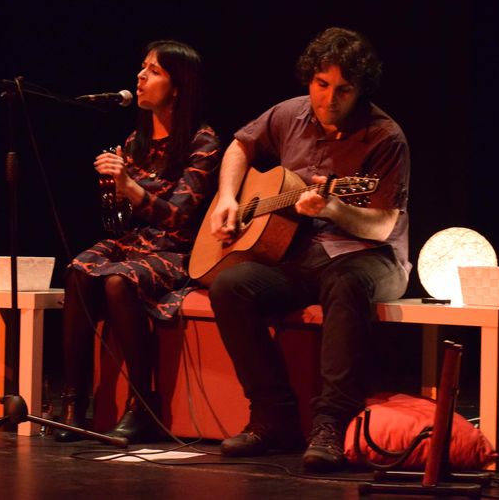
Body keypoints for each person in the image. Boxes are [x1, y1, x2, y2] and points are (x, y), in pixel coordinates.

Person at [207, 27, 410, 471]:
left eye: (343, 89)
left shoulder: (385, 137)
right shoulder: (288, 113)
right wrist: (227, 197)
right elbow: (241, 144)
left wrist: (336, 208)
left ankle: (331, 424)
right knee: (230, 285)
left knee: (344, 281)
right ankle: (272, 416)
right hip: (299, 256)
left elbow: (381, 225)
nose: (329, 98)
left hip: (372, 257)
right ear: (309, 79)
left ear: (361, 90)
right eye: (322, 84)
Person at [56, 40, 221, 444]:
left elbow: (179, 217)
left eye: (155, 71)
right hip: (135, 242)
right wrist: (110, 189)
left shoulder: (204, 141)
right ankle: (73, 405)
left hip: (176, 250)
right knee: (78, 271)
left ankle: (142, 405)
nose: (141, 77)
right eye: (142, 67)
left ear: (178, 86)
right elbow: (117, 225)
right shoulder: (134, 141)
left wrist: (128, 185)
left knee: (118, 281)